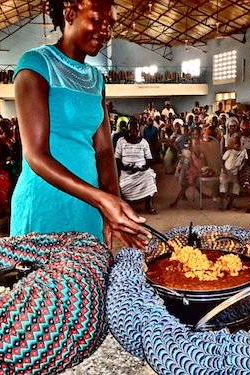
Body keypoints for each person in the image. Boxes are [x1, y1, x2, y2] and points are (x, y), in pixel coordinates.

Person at [10, 0, 149, 249]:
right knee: (46, 283)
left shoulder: (96, 79)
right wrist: (101, 199)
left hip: (88, 205)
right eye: (97, 20)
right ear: (70, 13)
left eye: (110, 24)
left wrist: (111, 205)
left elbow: (105, 150)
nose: (105, 31)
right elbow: (35, 155)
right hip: (46, 200)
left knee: (85, 282)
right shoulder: (36, 65)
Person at [115, 119, 158, 214]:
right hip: (126, 171)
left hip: (141, 171)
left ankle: (148, 206)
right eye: (131, 130)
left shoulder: (144, 142)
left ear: (138, 130)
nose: (133, 132)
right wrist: (125, 167)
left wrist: (144, 167)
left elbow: (150, 159)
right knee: (122, 185)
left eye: (135, 130)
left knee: (149, 177)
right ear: (128, 129)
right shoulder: (121, 141)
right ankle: (126, 206)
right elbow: (117, 158)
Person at [219, 133, 246, 210]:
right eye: (236, 144)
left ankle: (230, 204)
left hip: (234, 174)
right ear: (233, 144)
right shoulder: (229, 152)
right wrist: (224, 170)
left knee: (236, 188)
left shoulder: (243, 152)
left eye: (239, 144)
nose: (237, 145)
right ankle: (222, 204)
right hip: (226, 172)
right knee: (223, 186)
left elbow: (244, 161)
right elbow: (222, 161)